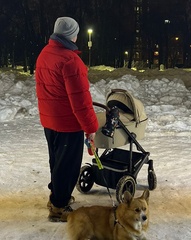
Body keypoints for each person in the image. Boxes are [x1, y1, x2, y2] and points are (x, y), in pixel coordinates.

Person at [35, 17, 99, 222]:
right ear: (73, 34)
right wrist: (91, 127)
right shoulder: (71, 61)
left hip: (50, 120)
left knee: (56, 161)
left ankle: (56, 196)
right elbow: (81, 101)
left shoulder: (45, 53)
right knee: (68, 166)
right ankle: (59, 207)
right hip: (67, 124)